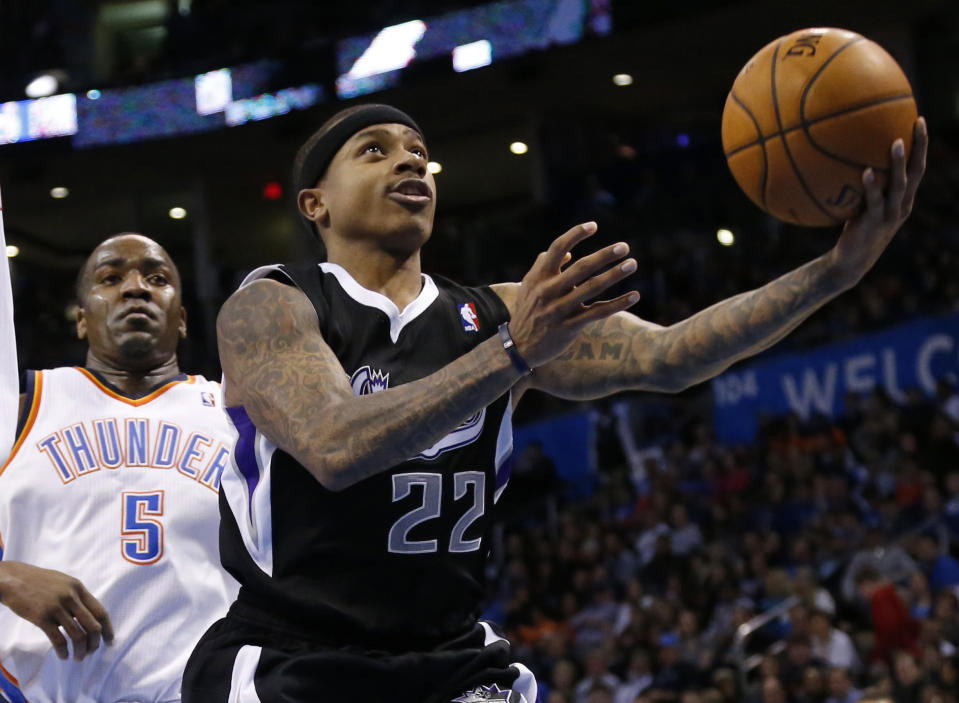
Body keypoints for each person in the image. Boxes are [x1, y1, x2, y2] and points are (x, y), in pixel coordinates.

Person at [182, 104, 927, 703]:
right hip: (292, 659)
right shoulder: (273, 305)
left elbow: (672, 356)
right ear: (314, 202)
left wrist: (833, 272)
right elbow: (333, 445)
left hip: (452, 663)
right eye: (373, 150)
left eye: (417, 149)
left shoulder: (498, 314)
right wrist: (513, 355)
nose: (410, 159)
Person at [0, 234, 238, 703]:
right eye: (110, 278)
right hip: (32, 691)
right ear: (82, 321)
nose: (135, 288)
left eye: (157, 278)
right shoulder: (20, 407)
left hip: (201, 691)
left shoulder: (237, 415)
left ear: (183, 319)